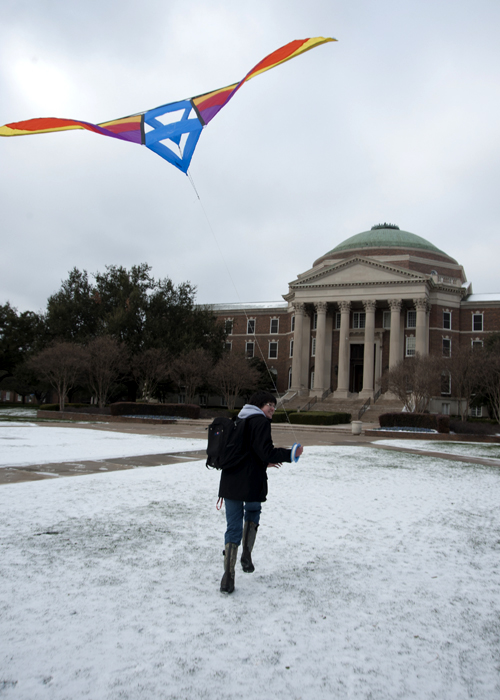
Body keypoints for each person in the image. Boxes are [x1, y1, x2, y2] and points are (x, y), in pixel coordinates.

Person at [218, 390, 303, 594]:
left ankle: (227, 578)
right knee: (253, 511)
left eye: (273, 405)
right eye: (268, 405)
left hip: (230, 482)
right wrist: (291, 454)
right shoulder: (261, 422)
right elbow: (265, 451)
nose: (272, 408)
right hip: (250, 483)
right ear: (258, 406)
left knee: (232, 526)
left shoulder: (237, 419)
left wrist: (263, 461)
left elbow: (245, 452)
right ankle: (246, 553)